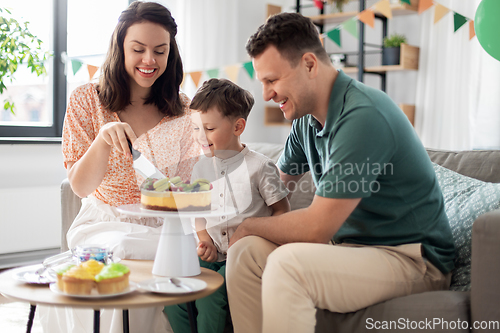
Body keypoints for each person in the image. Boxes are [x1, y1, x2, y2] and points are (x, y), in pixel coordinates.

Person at [225, 12, 456, 333]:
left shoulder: (362, 115)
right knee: (243, 254)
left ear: (309, 64)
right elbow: (273, 190)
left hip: (412, 259)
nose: (265, 94)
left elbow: (317, 227)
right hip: (349, 250)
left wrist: (249, 225)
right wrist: (223, 221)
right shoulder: (305, 121)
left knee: (287, 265)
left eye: (272, 80)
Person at [39, 2, 199, 332]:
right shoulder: (86, 99)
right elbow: (81, 187)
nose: (149, 60)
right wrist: (101, 140)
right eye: (138, 49)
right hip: (105, 220)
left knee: (170, 256)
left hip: (162, 225)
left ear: (171, 53)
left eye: (160, 50)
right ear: (120, 48)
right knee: (121, 251)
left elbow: (183, 192)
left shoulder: (183, 110)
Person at [165, 78, 291, 333]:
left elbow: (282, 212)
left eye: (209, 129)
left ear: (238, 126)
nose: (201, 137)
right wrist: (204, 240)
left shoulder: (260, 167)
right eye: (196, 128)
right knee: (173, 297)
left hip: (241, 261)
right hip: (211, 257)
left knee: (210, 296)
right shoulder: (199, 167)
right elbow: (197, 213)